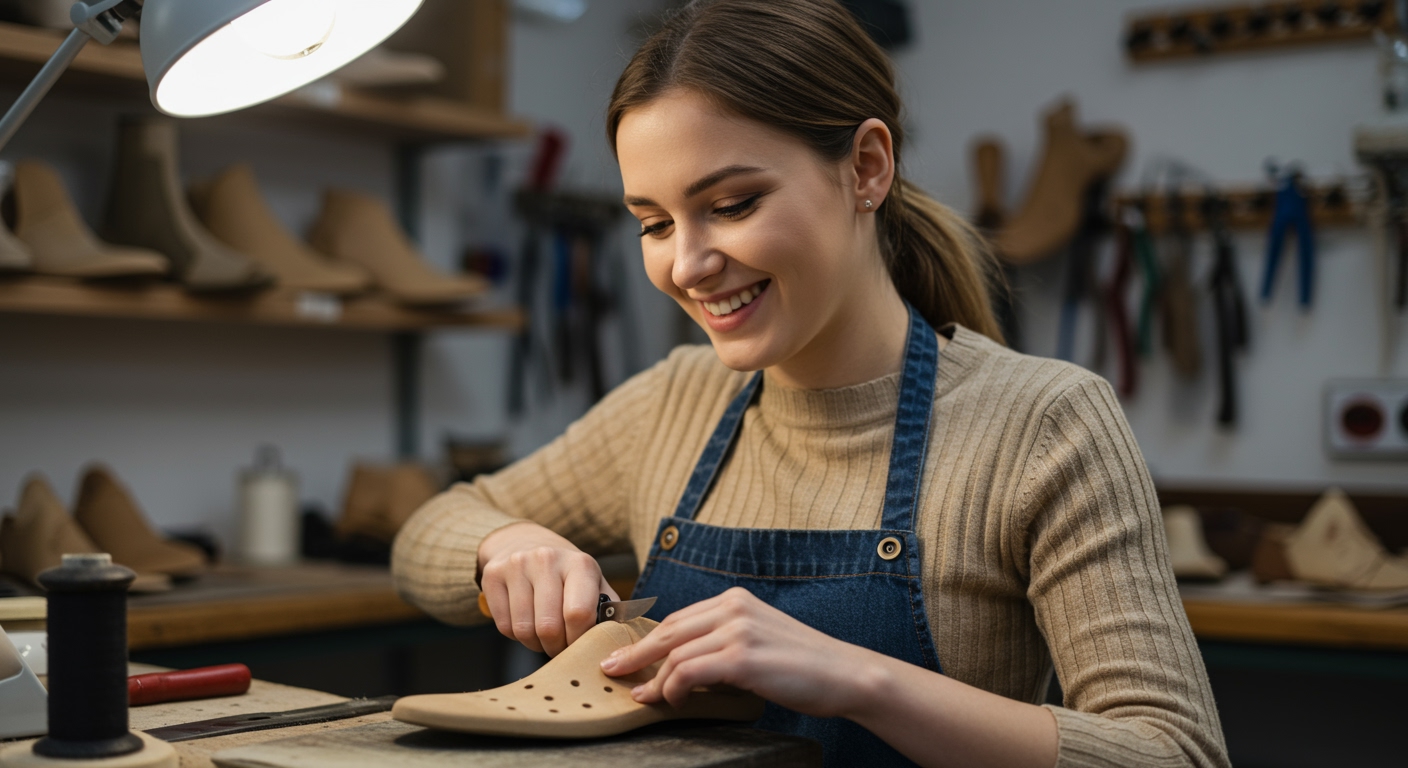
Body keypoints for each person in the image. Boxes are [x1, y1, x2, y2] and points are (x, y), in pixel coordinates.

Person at [392, 1, 1228, 766]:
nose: (687, 265)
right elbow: (428, 533)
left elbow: (1175, 751)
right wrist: (505, 547)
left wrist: (856, 678)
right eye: (652, 223)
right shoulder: (676, 401)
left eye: (733, 203)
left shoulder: (1042, 423)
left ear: (867, 167)